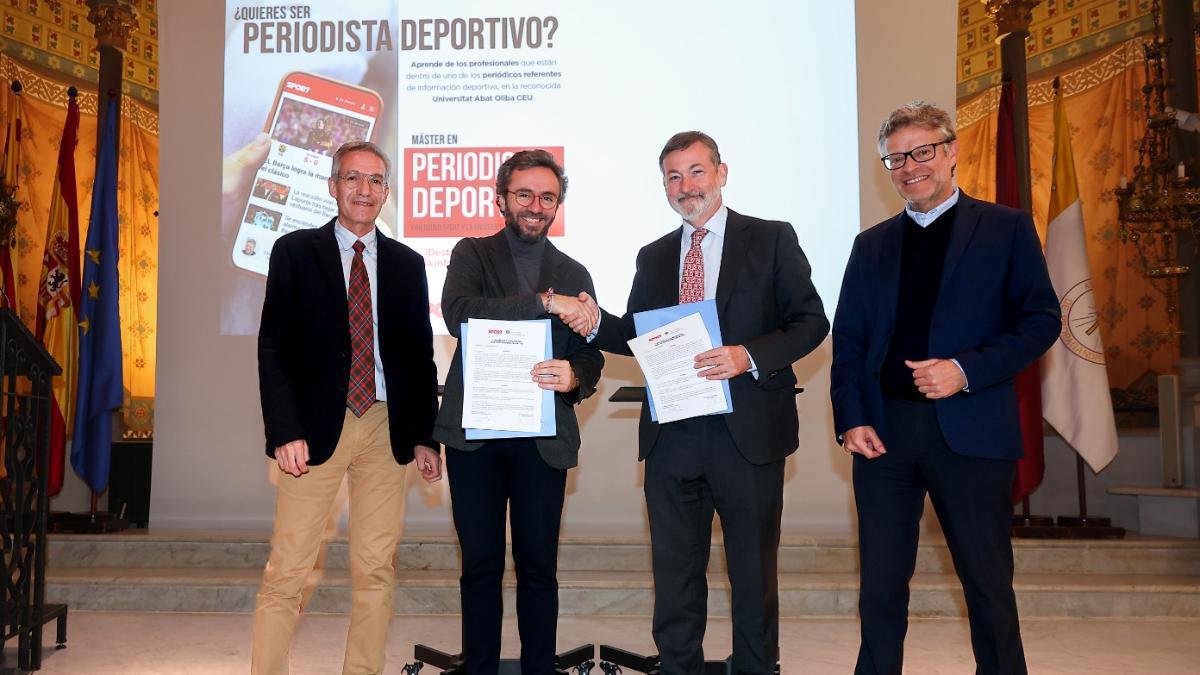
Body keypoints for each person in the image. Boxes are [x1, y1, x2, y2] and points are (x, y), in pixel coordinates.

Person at [582, 131, 828, 673]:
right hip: (673, 436)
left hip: (748, 435)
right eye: (673, 176)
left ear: (721, 172)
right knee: (675, 574)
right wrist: (595, 322)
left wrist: (748, 355)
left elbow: (811, 322)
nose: (685, 185)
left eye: (696, 171)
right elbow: (640, 336)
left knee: (752, 573)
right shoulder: (653, 255)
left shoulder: (770, 238)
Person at [830, 101, 1060, 675]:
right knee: (880, 588)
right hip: (884, 438)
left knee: (987, 585)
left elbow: (1041, 321)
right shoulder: (870, 245)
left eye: (922, 152)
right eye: (896, 158)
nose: (910, 166)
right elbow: (850, 341)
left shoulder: (1005, 228)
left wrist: (965, 370)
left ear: (952, 152)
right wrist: (851, 418)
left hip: (973, 432)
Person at [253, 140, 442, 675]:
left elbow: (419, 357)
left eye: (376, 180)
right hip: (311, 433)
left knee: (376, 569)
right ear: (333, 185)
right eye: (353, 178)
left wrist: (426, 435)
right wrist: (284, 429)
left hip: (387, 429)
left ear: (386, 192)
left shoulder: (407, 264)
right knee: (288, 569)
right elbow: (273, 349)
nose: (364, 190)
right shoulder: (294, 251)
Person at [432, 149, 604, 675]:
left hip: (541, 439)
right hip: (476, 441)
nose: (535, 205)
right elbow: (461, 314)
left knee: (538, 569)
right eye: (524, 194)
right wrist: (547, 303)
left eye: (547, 197)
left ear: (558, 205)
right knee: (480, 566)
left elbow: (590, 350)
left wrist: (576, 377)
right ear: (502, 198)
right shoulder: (472, 254)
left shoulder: (575, 270)